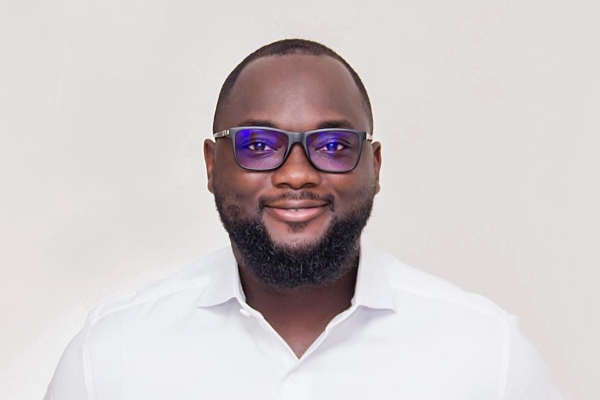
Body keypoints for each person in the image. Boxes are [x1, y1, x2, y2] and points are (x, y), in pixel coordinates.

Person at [45, 39, 561, 399]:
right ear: (212, 165)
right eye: (258, 144)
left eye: (334, 145)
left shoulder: (487, 355)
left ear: (375, 166)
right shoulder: (110, 358)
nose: (296, 174)